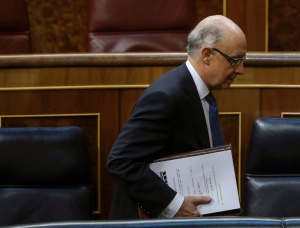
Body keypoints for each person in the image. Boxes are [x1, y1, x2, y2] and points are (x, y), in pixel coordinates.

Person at [106, 14, 247, 219]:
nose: (241, 70)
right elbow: (120, 162)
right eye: (235, 60)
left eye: (243, 60)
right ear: (207, 54)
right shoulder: (165, 96)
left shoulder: (200, 93)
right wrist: (175, 204)